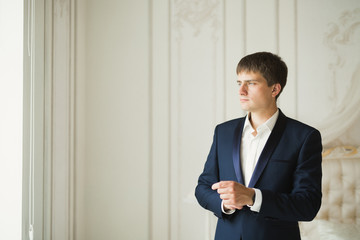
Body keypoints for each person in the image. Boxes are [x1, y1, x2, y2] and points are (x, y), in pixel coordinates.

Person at [195, 52, 322, 240]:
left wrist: (253, 197)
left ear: (275, 89)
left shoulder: (304, 137)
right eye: (239, 83)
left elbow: (307, 205)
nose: (241, 91)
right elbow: (203, 187)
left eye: (251, 83)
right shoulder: (223, 132)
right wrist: (225, 204)